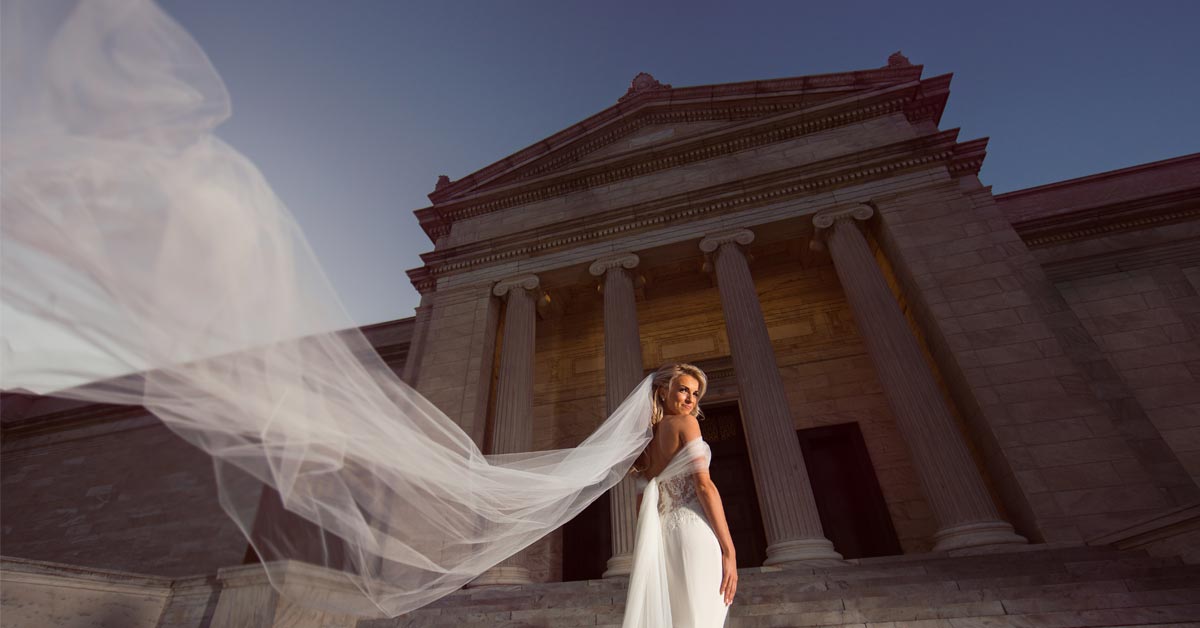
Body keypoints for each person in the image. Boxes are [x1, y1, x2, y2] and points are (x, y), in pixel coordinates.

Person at [622, 364, 737, 628]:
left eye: (695, 394)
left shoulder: (644, 442)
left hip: (662, 537)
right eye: (683, 390)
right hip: (692, 531)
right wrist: (729, 551)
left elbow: (642, 501)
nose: (690, 399)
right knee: (702, 618)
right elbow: (704, 486)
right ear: (662, 391)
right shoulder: (687, 422)